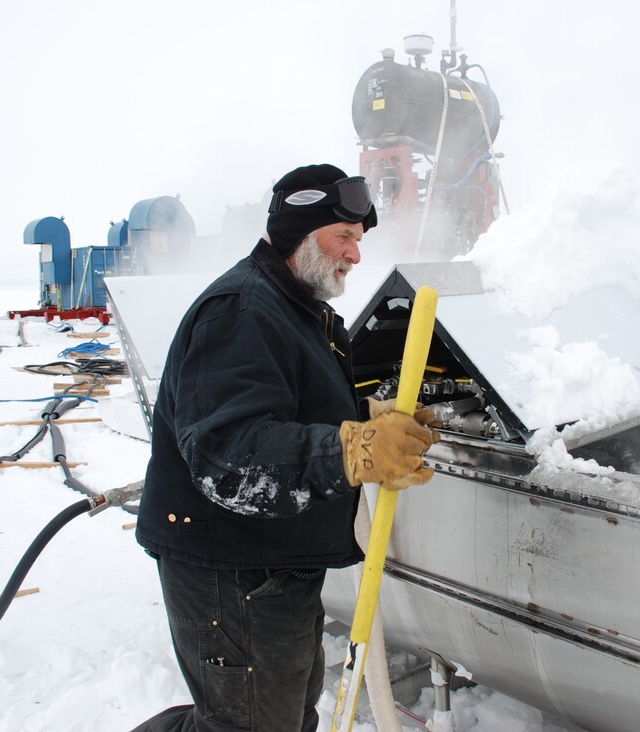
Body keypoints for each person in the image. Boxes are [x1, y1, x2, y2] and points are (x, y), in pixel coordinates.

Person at [130, 163, 438, 732]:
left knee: (282, 717)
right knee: (250, 724)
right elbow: (229, 455)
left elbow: (286, 407)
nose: (356, 254)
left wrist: (364, 422)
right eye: (343, 235)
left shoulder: (293, 307)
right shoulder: (242, 311)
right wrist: (351, 449)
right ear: (300, 229)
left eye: (359, 239)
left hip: (273, 559)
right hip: (233, 568)